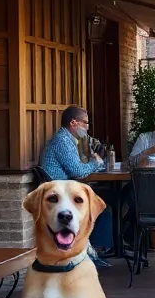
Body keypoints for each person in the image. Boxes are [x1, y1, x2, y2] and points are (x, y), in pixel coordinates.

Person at [39, 105, 113, 260]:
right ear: (73, 123)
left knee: (108, 200)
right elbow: (78, 171)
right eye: (85, 123)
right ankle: (95, 252)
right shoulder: (63, 141)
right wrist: (96, 161)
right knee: (104, 208)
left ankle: (95, 249)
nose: (87, 127)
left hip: (64, 191)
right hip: (60, 196)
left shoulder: (67, 139)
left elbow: (77, 169)